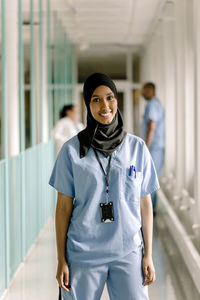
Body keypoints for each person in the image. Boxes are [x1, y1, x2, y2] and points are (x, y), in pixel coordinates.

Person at [49, 73, 160, 300]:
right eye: (96, 100)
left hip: (128, 251)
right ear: (87, 104)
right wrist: (61, 259)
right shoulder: (71, 151)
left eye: (109, 97)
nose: (104, 106)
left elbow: (145, 204)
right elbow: (62, 209)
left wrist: (148, 254)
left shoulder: (137, 148)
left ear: (117, 100)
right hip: (83, 253)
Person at [141, 82, 165, 217]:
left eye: (144, 91)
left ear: (150, 90)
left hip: (153, 147)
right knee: (150, 177)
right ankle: (150, 209)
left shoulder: (153, 104)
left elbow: (152, 125)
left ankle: (150, 210)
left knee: (150, 178)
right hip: (156, 147)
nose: (142, 93)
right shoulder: (154, 104)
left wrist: (146, 146)